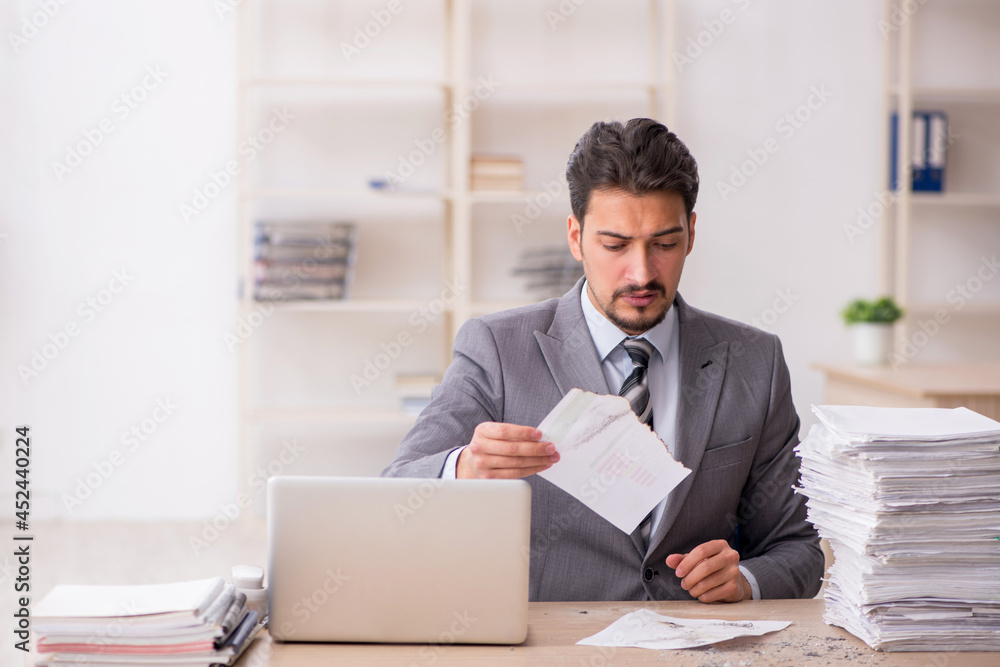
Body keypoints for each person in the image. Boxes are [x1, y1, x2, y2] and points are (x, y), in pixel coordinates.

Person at [381, 118, 824, 603]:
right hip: (552, 650)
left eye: (664, 244)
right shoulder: (497, 348)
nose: (641, 272)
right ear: (575, 238)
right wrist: (464, 467)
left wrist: (746, 580)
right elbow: (395, 491)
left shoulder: (754, 363)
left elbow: (797, 548)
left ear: (691, 234)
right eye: (615, 246)